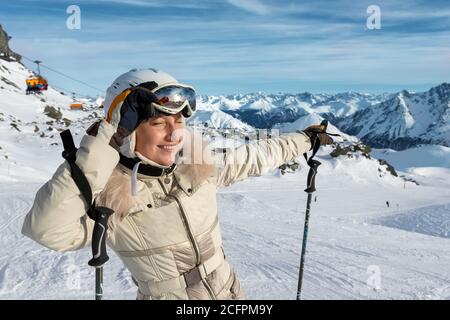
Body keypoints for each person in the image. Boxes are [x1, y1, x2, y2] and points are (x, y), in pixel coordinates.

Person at [21, 68, 333, 300]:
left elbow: (255, 154)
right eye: (158, 123)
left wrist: (304, 139)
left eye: (179, 122)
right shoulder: (109, 197)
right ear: (125, 131)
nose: (174, 135)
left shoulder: (196, 166)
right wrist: (106, 139)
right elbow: (46, 229)